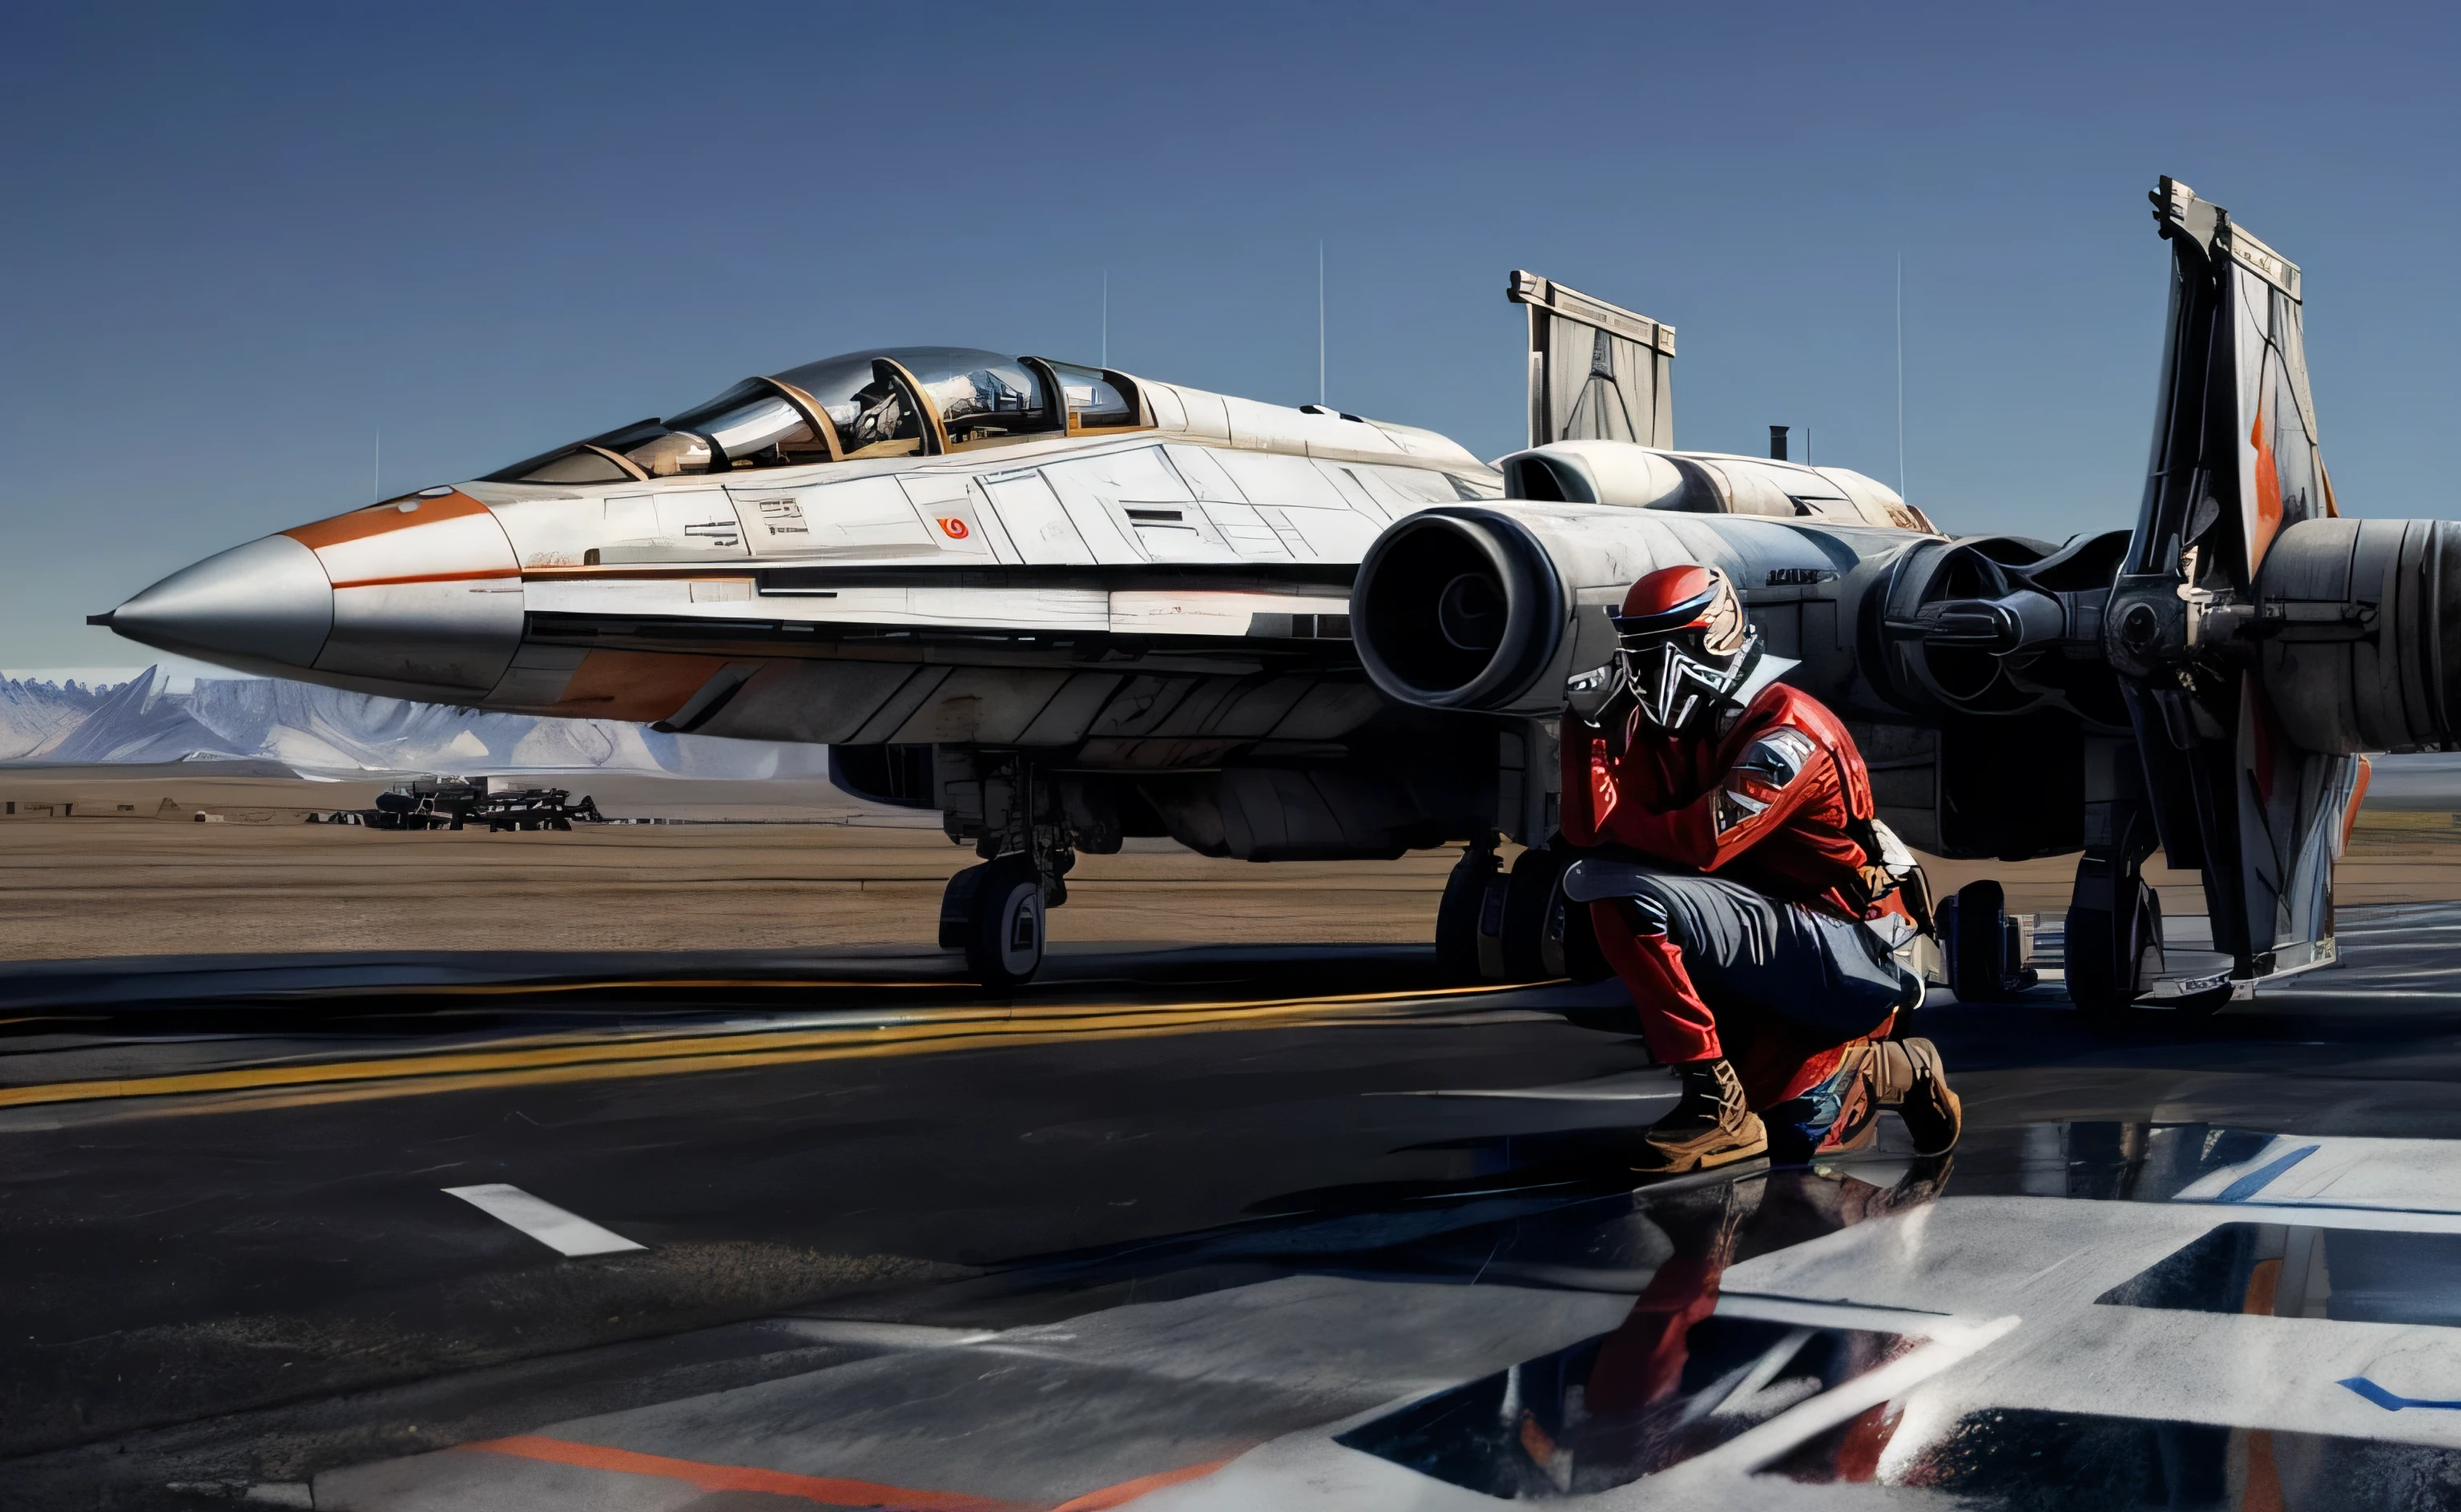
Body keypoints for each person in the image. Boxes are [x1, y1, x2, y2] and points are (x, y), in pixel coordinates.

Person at [1557, 563, 1962, 1174]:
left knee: (1616, 890)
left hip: (1853, 943)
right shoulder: (1661, 729)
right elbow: (1589, 830)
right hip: (1771, 935)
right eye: (1632, 651)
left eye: (1655, 650)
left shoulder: (1788, 729)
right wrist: (1584, 729)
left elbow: (1701, 843)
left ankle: (1751, 1094)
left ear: (1708, 639)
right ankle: (1782, 1087)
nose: (1637, 672)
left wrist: (1616, 806)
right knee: (1795, 1126)